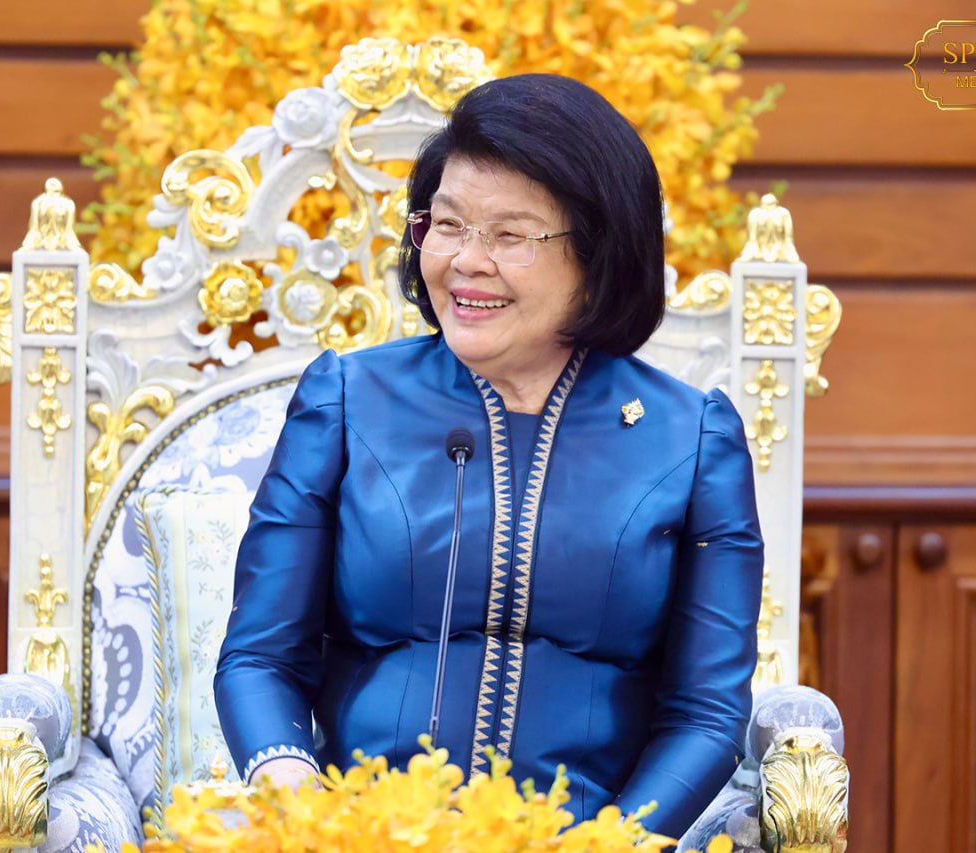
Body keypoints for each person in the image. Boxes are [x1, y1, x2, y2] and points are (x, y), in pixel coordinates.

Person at [215, 73, 763, 838]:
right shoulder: (344, 399)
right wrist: (305, 811)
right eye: (447, 225)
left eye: (510, 236)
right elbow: (260, 659)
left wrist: (612, 842)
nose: (467, 261)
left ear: (597, 252)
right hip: (363, 832)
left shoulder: (692, 438)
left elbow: (705, 713)